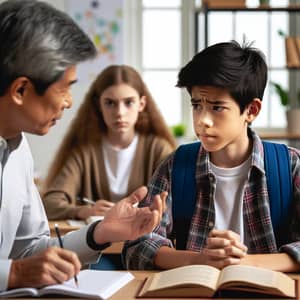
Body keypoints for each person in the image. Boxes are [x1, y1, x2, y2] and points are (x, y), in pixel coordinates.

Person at [0, 0, 166, 291]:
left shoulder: (18, 150)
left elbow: (28, 252)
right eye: (64, 88)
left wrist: (100, 233)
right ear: (21, 90)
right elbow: (18, 267)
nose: (69, 101)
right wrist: (13, 275)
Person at [122, 41, 300, 272]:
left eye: (217, 107)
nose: (202, 120)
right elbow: (137, 244)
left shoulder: (290, 165)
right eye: (197, 105)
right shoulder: (175, 166)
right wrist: (200, 260)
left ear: (251, 111)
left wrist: (243, 263)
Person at [42, 65, 176, 221]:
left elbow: (177, 203)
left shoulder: (158, 149)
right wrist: (85, 211)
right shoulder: (85, 152)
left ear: (142, 104)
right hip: (95, 243)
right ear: (99, 105)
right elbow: (49, 205)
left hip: (143, 242)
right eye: (110, 103)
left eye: (129, 102)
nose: (119, 112)